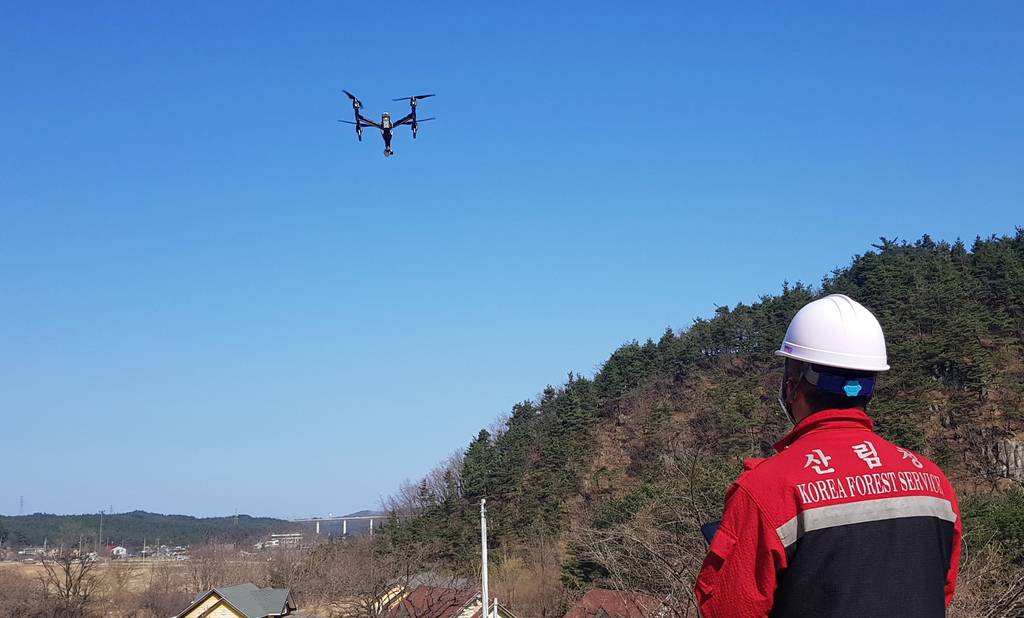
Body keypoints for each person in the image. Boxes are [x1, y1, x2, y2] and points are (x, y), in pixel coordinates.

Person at [695, 294, 961, 617]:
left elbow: (726, 609)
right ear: (870, 384)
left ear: (793, 385)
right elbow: (939, 590)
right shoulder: (935, 485)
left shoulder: (767, 491)